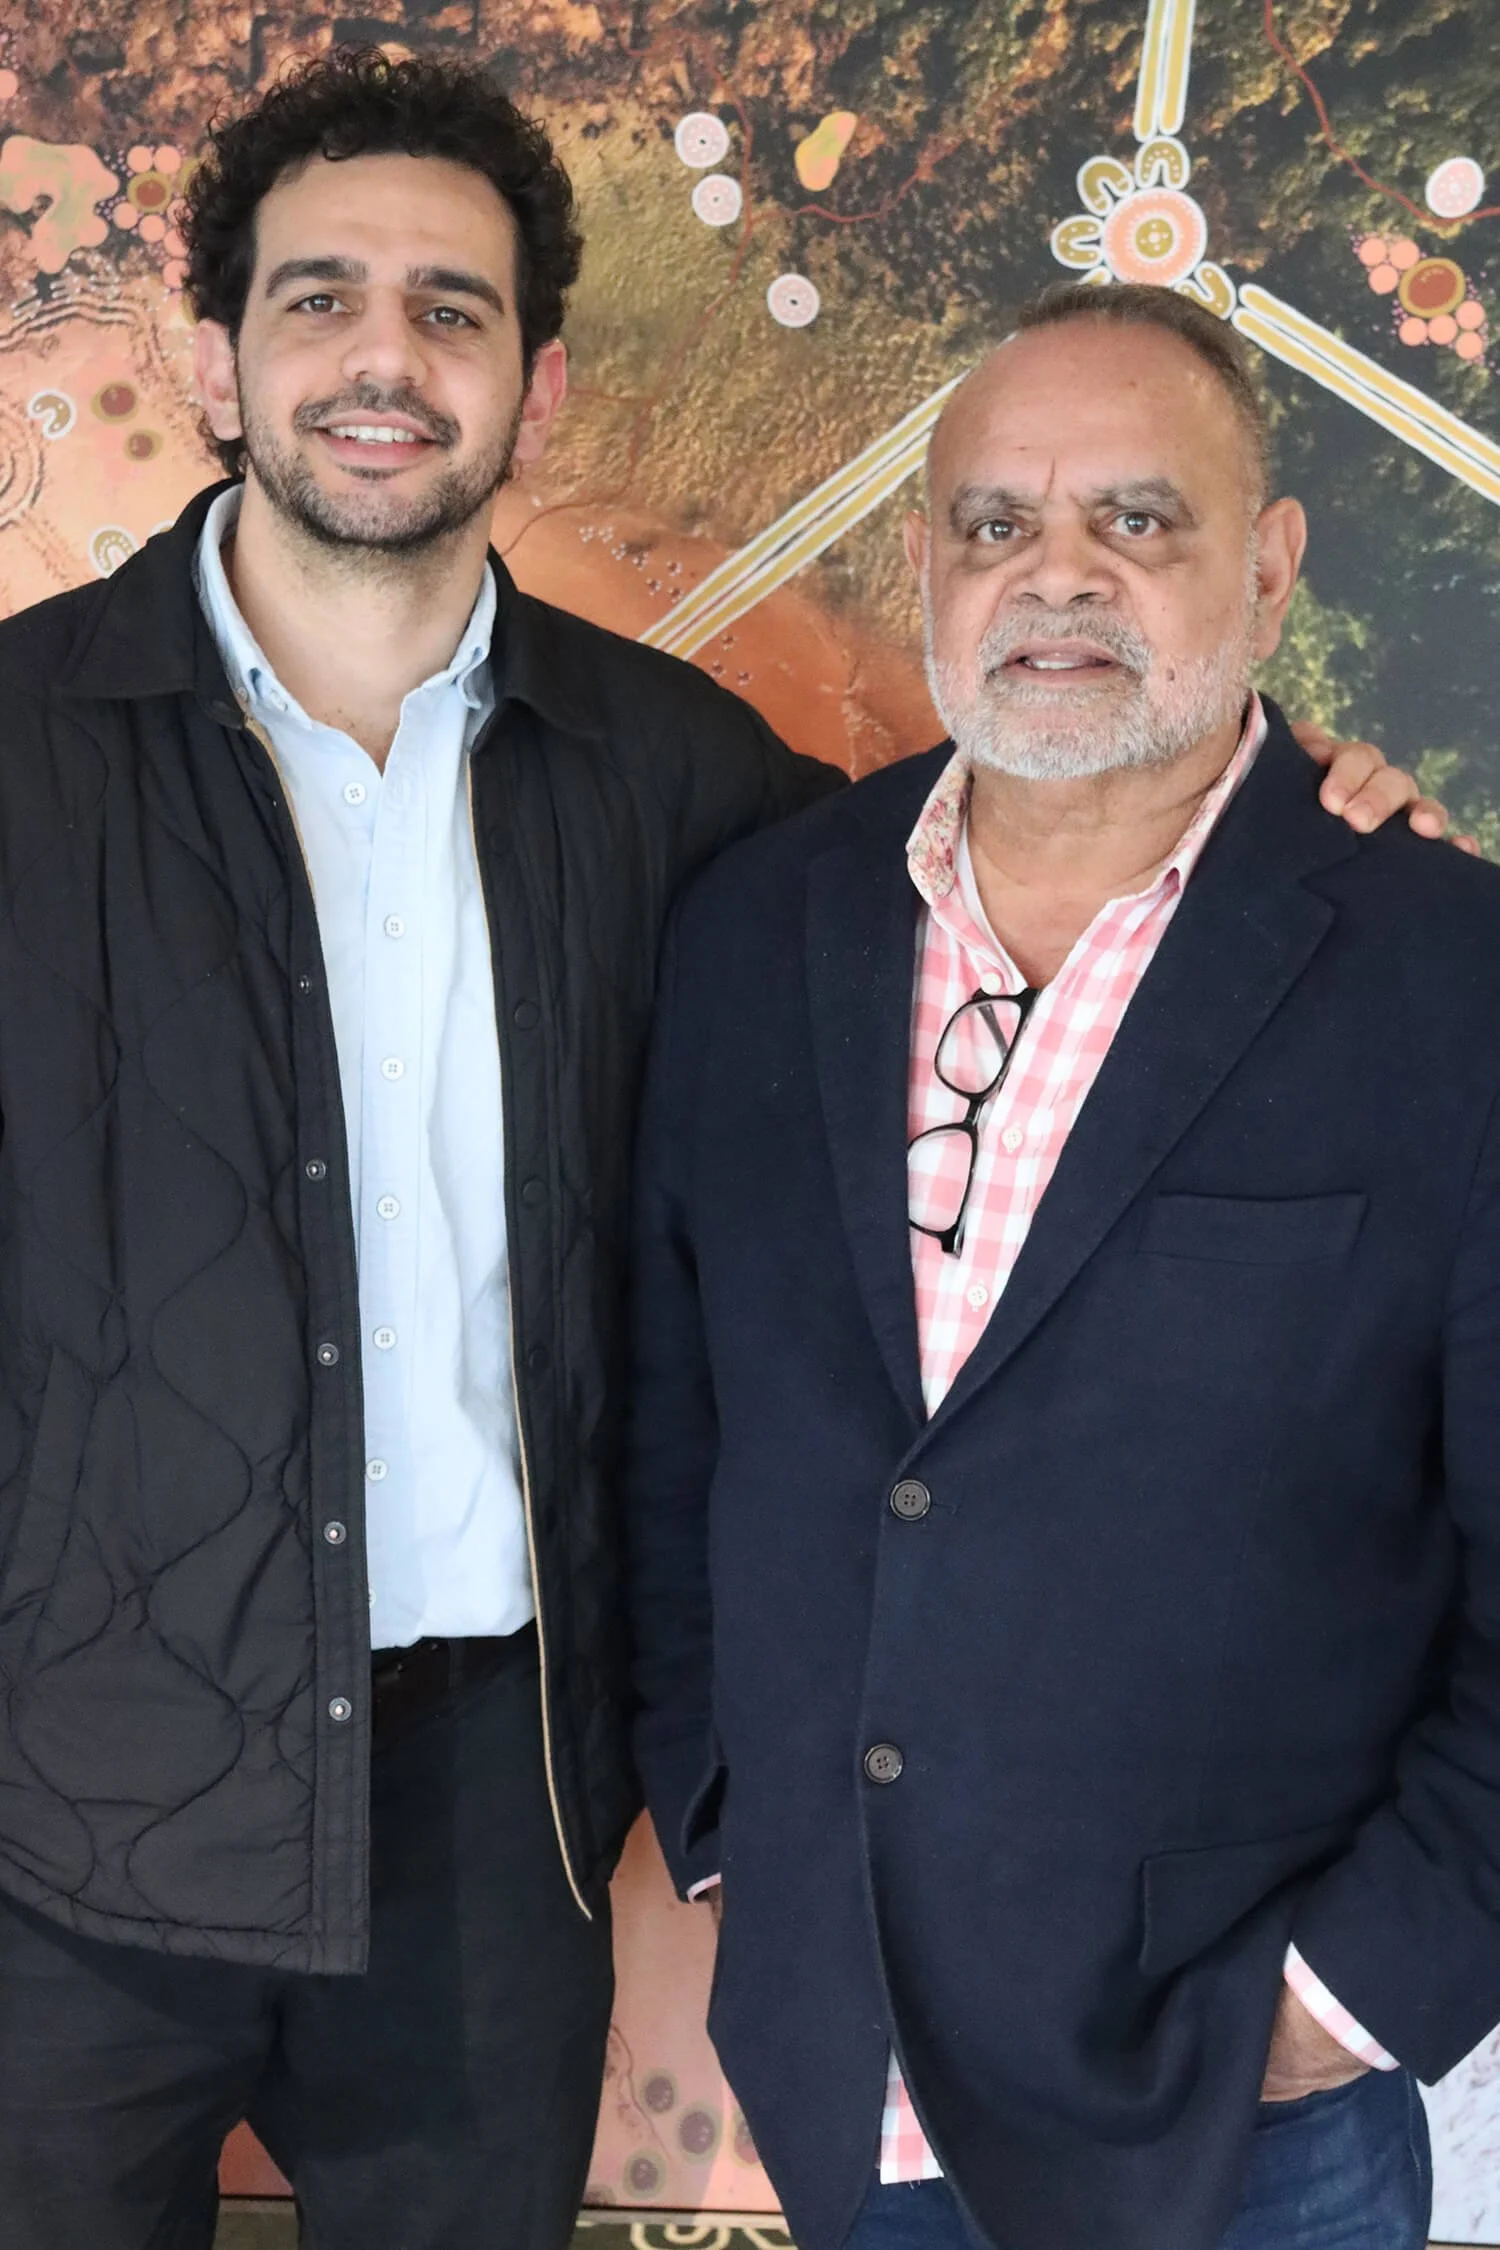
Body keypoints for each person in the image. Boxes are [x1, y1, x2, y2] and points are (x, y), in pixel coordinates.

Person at [0, 49, 1436, 2249]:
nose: (386, 360)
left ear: (538, 391)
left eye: (453, 311)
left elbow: (1094, 803)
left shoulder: (688, 791)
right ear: (215, 358)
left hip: (495, 1834)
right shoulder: (17, 757)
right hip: (58, 1839)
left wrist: (1319, 814)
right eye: (319, 301)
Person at [624, 280, 1500, 2250]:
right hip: (842, 2081)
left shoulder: (1453, 984)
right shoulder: (758, 931)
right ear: (923, 564)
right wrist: (727, 1826)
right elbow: (677, 1428)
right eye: (998, 527)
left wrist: (1338, 2004)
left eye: (1140, 518)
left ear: (1269, 575)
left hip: (1241, 2136)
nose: (1059, 578)